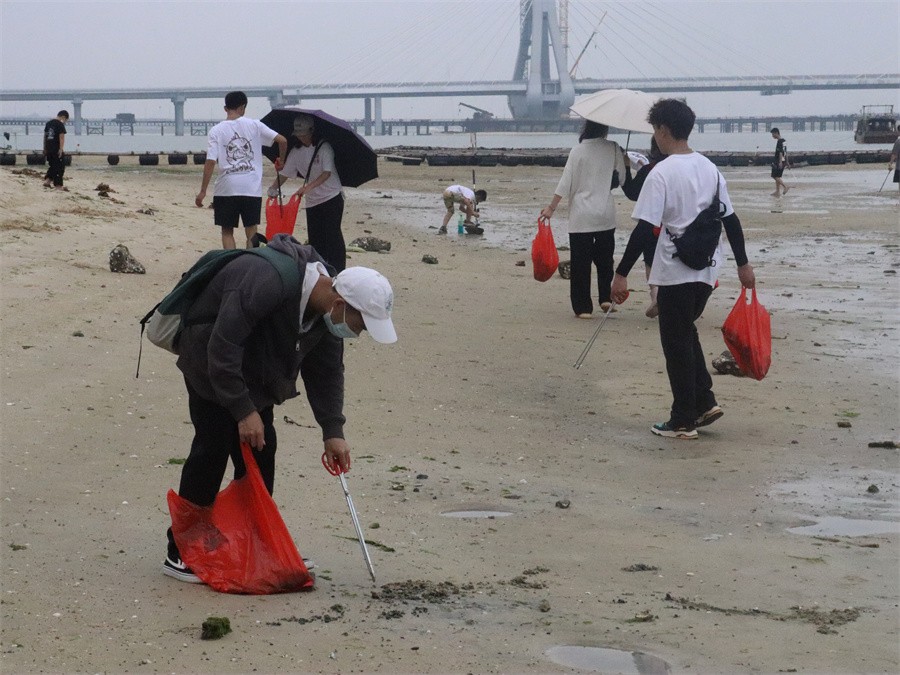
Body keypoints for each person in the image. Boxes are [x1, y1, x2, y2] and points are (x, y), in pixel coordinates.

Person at [163, 233, 397, 583]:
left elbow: (326, 372)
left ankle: (256, 543)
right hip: (208, 357)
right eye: (360, 324)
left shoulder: (325, 314)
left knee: (261, 450)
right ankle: (180, 551)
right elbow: (223, 346)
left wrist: (333, 431)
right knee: (212, 446)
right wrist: (243, 410)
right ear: (340, 304)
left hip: (255, 368)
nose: (359, 333)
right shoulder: (267, 281)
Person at [611, 98, 756, 440]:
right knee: (685, 333)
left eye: (654, 130)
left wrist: (621, 273)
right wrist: (743, 264)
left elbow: (645, 229)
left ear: (663, 130)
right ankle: (704, 402)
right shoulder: (710, 169)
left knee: (675, 344)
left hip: (675, 271)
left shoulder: (661, 173)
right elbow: (730, 220)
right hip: (706, 270)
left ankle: (682, 421)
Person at [541, 120, 626, 318]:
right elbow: (622, 178)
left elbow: (565, 183)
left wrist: (551, 208)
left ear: (586, 127)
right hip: (605, 213)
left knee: (581, 263)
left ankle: (583, 308)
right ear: (605, 128)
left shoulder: (577, 151)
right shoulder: (614, 148)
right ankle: (605, 297)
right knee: (605, 260)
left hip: (581, 215)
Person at [196, 91, 288, 250]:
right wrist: (282, 161)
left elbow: (210, 161)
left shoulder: (216, 130)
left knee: (227, 231)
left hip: (226, 188)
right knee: (251, 230)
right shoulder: (255, 125)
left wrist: (203, 191)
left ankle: (230, 260)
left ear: (225, 108)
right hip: (251, 188)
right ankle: (251, 260)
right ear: (243, 107)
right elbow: (282, 140)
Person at [268, 115, 348, 271]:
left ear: (312, 131)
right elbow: (285, 173)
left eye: (303, 134)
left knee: (333, 236)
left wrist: (308, 187)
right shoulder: (296, 151)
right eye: (298, 134)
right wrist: (273, 188)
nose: (300, 137)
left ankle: (338, 270)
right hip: (312, 201)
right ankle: (320, 270)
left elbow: (327, 173)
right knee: (315, 238)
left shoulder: (324, 147)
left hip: (331, 196)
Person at [622, 136, 669, 318]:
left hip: (653, 223)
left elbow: (632, 193)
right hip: (677, 223)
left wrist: (626, 167)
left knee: (650, 258)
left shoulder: (650, 170)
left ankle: (655, 294)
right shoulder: (681, 168)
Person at [43, 110, 69, 189]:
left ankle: (47, 181)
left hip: (48, 148)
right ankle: (58, 185)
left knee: (53, 165)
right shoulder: (60, 124)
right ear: (63, 117)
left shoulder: (48, 123)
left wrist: (44, 148)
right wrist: (61, 149)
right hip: (56, 149)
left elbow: (45, 137)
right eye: (65, 120)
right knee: (60, 166)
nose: (65, 122)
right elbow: (61, 137)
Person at [769, 128, 790, 197]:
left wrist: (780, 162)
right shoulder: (784, 141)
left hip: (778, 161)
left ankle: (785, 187)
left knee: (774, 176)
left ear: (776, 133)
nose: (772, 136)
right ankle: (777, 191)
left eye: (773, 134)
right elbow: (786, 152)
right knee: (777, 176)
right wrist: (787, 162)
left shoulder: (779, 142)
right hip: (783, 161)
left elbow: (780, 152)